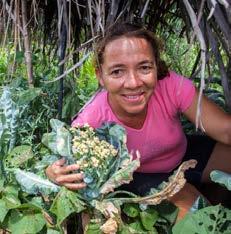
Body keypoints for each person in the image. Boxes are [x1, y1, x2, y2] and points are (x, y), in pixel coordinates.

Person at [46, 22, 231, 206]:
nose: (133, 83)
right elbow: (63, 163)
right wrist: (52, 172)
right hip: (137, 178)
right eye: (117, 71)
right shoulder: (91, 119)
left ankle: (215, 193)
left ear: (156, 67)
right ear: (100, 76)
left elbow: (225, 129)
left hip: (182, 156)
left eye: (144, 68)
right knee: (195, 208)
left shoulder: (172, 86)